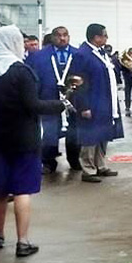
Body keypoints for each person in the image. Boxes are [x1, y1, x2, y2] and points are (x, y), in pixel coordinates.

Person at [0, 26, 70, 257]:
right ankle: (23, 242)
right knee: (21, 191)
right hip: (23, 139)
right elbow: (33, 105)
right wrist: (60, 105)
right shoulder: (22, 72)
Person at [67, 24, 123, 183]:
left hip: (104, 101)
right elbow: (77, 82)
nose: (106, 38)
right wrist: (83, 106)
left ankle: (100, 165)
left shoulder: (101, 53)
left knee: (102, 134)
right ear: (96, 37)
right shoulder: (82, 55)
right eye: (105, 35)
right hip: (91, 102)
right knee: (90, 136)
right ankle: (88, 169)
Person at [26, 26, 82, 173]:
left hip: (72, 101)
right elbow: (33, 78)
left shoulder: (78, 54)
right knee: (50, 132)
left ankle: (75, 160)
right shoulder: (39, 56)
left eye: (65, 35)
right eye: (58, 35)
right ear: (52, 37)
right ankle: (48, 162)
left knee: (74, 132)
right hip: (48, 99)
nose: (62, 38)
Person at [121, 48, 132, 116]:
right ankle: (127, 106)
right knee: (127, 92)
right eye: (130, 52)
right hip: (127, 78)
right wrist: (127, 67)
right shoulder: (125, 59)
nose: (131, 54)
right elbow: (122, 68)